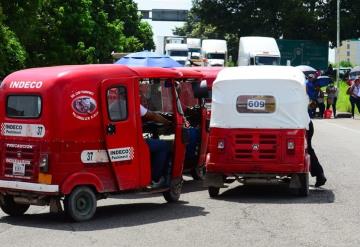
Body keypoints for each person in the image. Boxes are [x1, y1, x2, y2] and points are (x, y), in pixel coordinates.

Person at [140, 104, 172, 188]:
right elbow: (152, 115)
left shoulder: (113, 106)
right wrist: (167, 122)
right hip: (135, 142)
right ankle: (155, 178)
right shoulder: (133, 103)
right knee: (163, 146)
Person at [307, 120, 327, 187]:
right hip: (304, 124)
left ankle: (320, 175)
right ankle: (320, 175)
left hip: (303, 125)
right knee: (308, 149)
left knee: (307, 150)